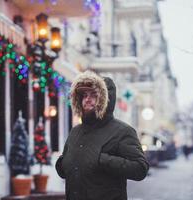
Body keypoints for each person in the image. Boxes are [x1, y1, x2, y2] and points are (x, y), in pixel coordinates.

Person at [55, 71, 149, 200]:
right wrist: (62, 162)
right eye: (84, 95)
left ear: (106, 99)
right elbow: (65, 169)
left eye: (94, 95)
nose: (87, 99)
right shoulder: (76, 131)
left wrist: (101, 159)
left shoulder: (122, 131)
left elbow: (140, 169)